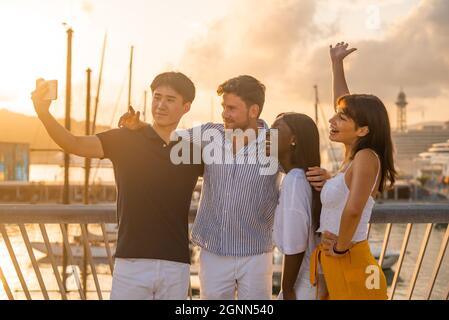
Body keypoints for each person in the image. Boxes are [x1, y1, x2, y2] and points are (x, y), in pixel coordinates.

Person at [32, 72, 203, 300]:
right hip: (131, 264)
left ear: (186, 106)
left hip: (176, 265)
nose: (160, 105)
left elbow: (233, 167)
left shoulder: (193, 151)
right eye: (157, 97)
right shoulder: (124, 140)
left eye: (170, 100)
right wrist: (43, 113)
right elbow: (73, 143)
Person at [310, 42, 397, 300]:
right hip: (339, 260)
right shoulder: (353, 156)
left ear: (362, 130)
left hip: (352, 261)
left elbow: (354, 209)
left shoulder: (366, 158)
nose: (331, 120)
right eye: (335, 116)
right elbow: (345, 103)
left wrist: (339, 248)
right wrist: (336, 65)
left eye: (341, 119)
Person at [271, 112, 326, 300]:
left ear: (293, 139)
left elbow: (296, 244)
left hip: (303, 283)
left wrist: (287, 289)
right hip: (312, 279)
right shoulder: (301, 176)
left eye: (276, 129)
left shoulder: (294, 181)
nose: (269, 134)